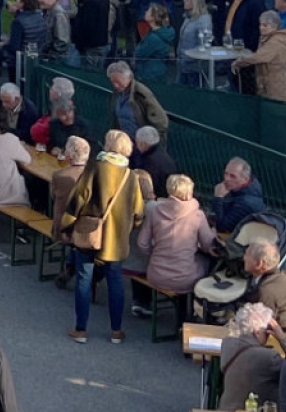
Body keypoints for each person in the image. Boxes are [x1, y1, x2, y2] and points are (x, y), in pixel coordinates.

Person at [59, 130, 146, 344]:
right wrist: (125, 229)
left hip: (90, 235)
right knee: (115, 282)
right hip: (115, 241)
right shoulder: (131, 176)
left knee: (83, 279)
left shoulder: (95, 168)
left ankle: (81, 330)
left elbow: (78, 199)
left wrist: (67, 226)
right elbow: (138, 213)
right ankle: (116, 331)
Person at [134, 173, 216, 301]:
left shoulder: (155, 211)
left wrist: (155, 255)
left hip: (156, 274)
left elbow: (142, 244)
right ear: (189, 193)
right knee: (209, 264)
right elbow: (208, 245)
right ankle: (194, 311)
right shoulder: (197, 215)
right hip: (185, 278)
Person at [216, 302, 284, 411]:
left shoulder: (227, 344)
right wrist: (282, 338)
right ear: (258, 332)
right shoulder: (269, 358)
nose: (269, 336)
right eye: (267, 332)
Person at [242, 240, 286, 340]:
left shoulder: (267, 290)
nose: (244, 258)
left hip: (283, 343)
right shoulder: (280, 278)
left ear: (259, 263)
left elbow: (261, 327)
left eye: (247, 255)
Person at [213, 158, 268, 233]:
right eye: (225, 173)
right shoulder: (241, 189)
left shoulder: (245, 203)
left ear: (245, 179)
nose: (226, 179)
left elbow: (222, 227)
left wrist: (218, 198)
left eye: (233, 176)